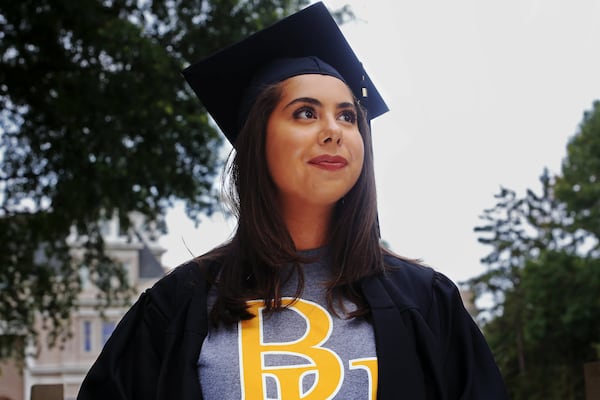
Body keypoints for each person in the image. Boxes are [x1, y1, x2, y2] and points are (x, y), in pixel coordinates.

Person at [77, 2, 508, 399]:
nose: (334, 130)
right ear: (256, 140)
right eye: (305, 112)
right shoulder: (177, 306)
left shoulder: (425, 301)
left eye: (347, 115)